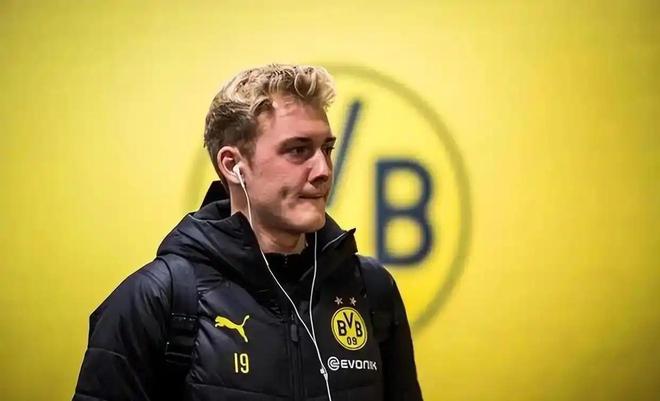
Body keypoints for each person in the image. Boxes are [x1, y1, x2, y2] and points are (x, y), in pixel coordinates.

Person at [73, 64, 423, 401]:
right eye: (298, 150)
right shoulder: (156, 299)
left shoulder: (370, 288)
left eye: (327, 149)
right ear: (233, 165)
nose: (324, 170)